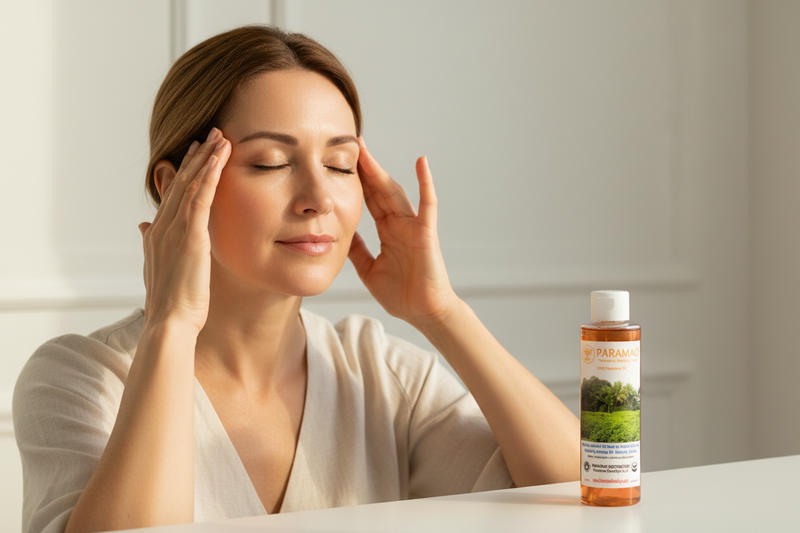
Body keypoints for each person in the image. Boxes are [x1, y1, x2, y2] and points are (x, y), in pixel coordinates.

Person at [13, 25, 579, 533]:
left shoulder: (380, 374)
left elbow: (589, 490)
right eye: (270, 163)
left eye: (340, 165)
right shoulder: (78, 381)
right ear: (175, 186)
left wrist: (442, 313)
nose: (318, 199)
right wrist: (172, 325)